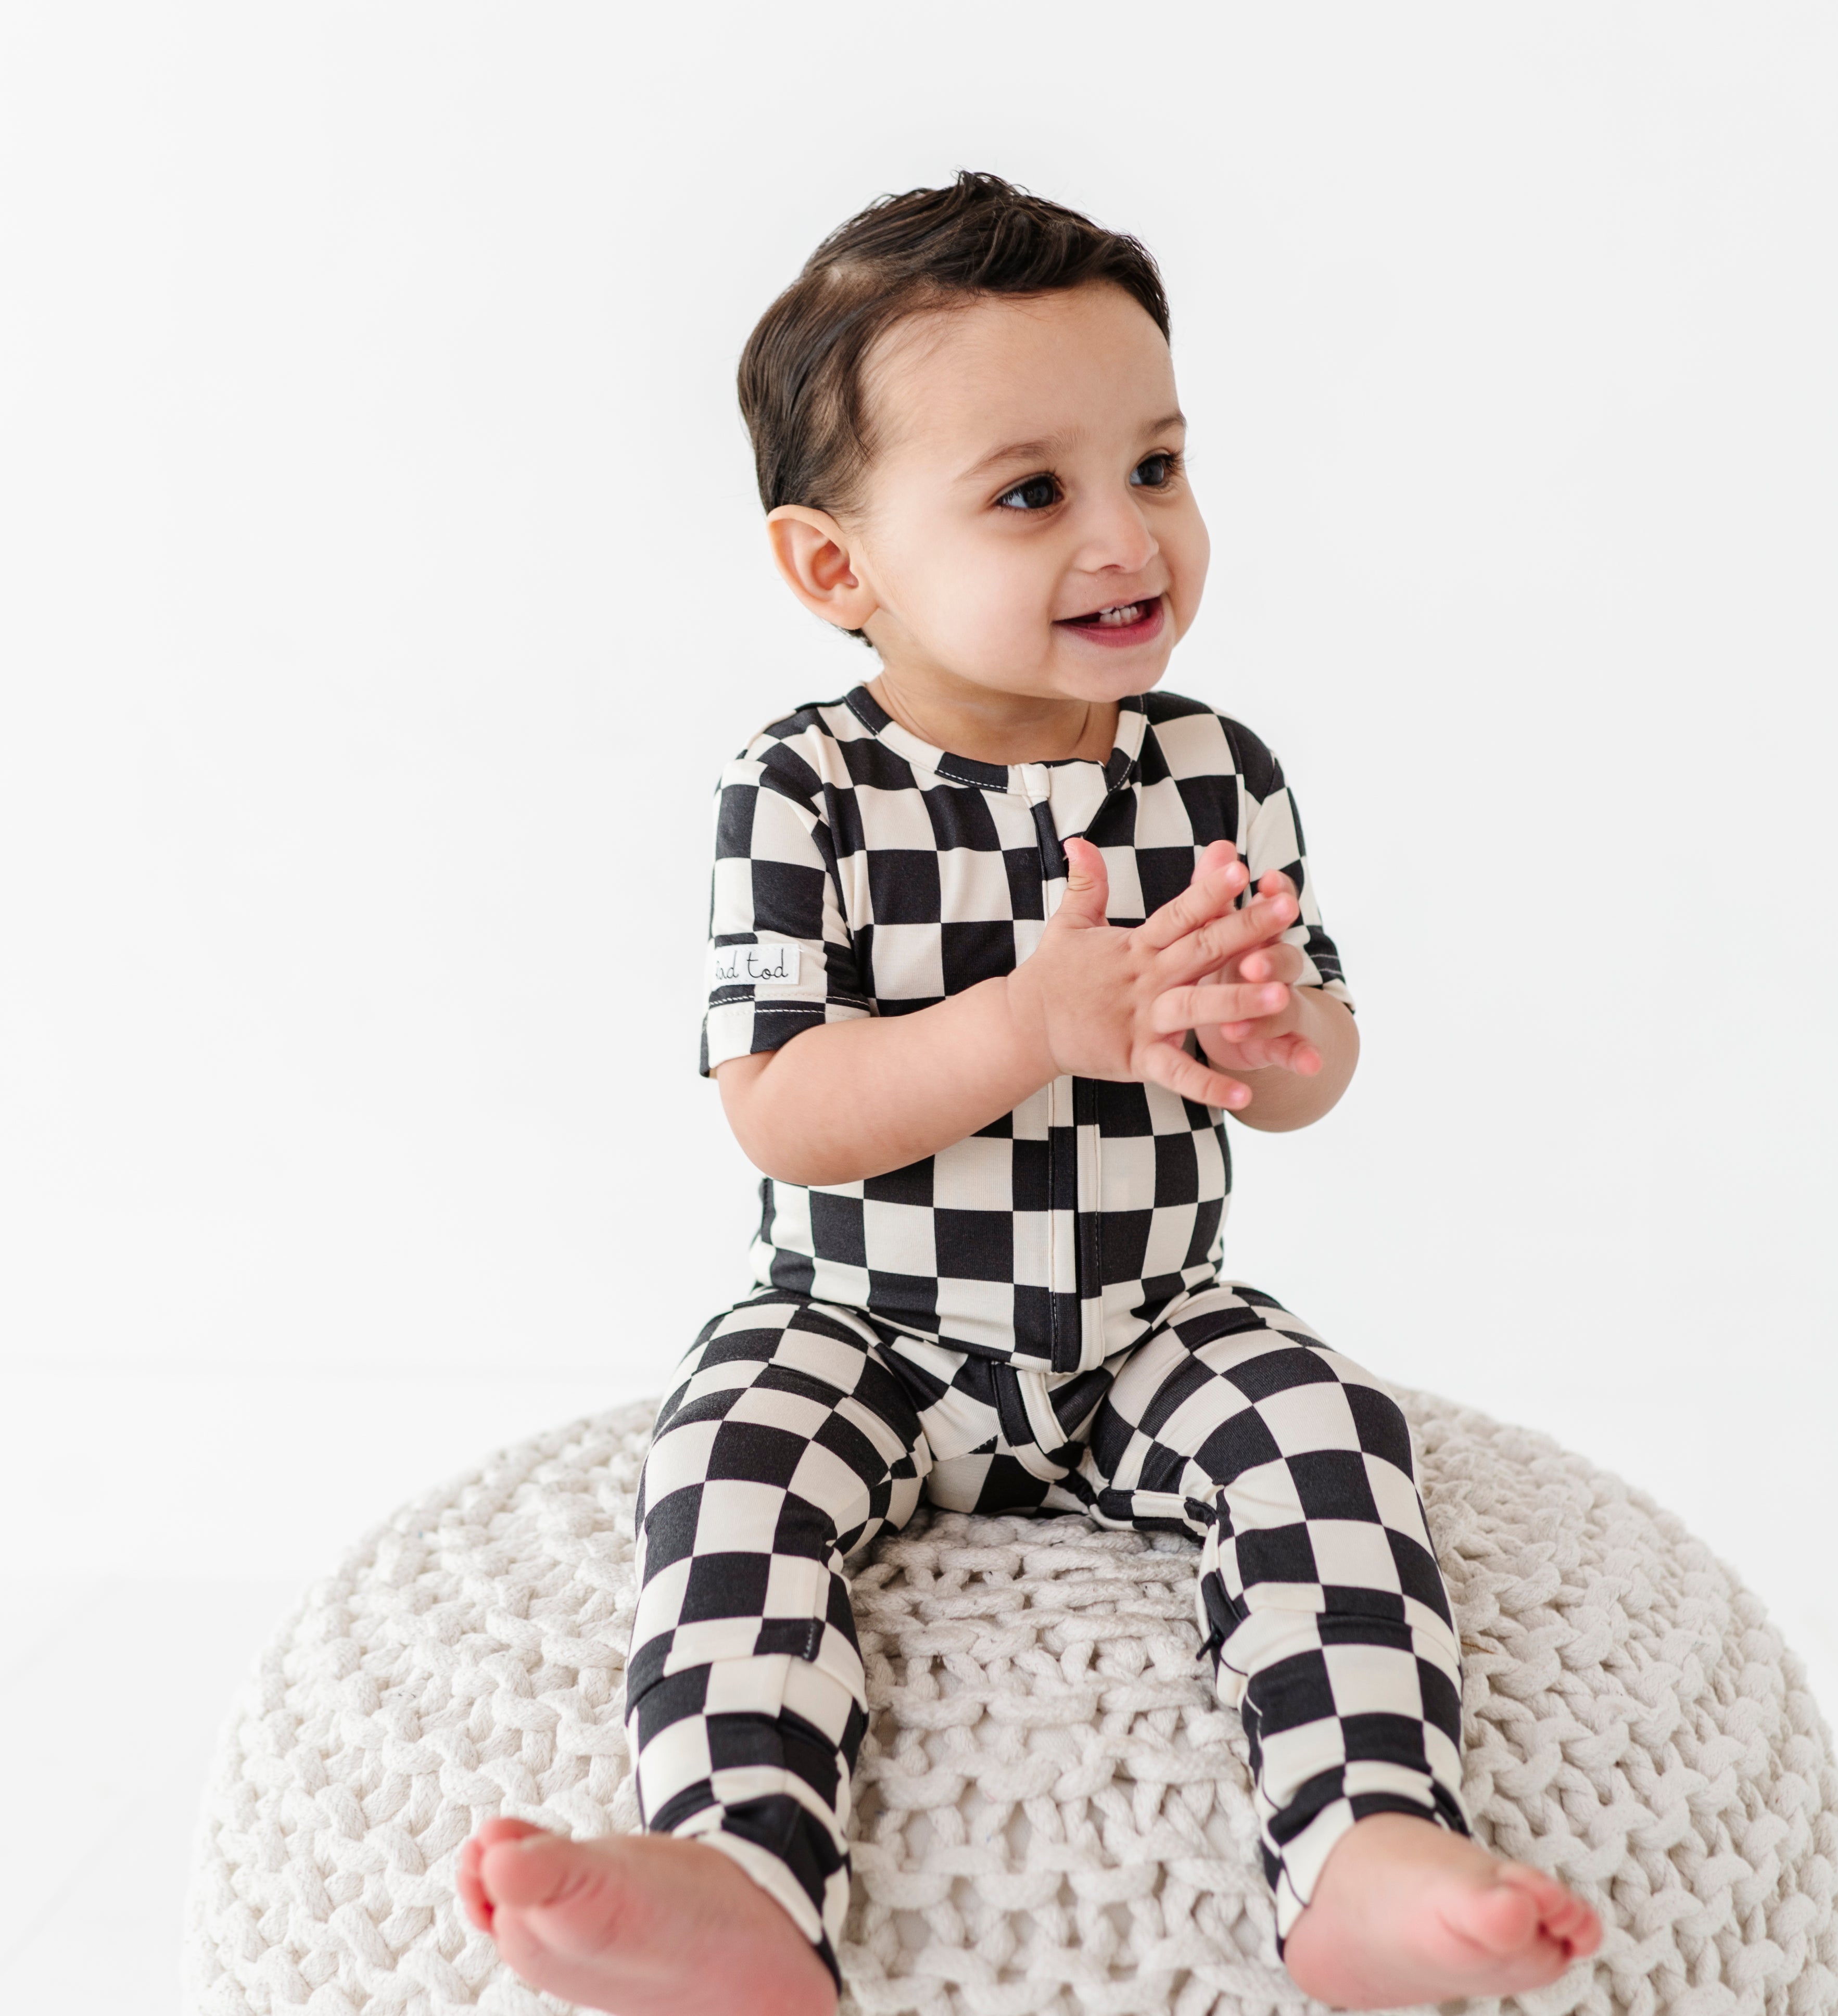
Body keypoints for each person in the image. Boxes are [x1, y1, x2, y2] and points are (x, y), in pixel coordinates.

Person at [458, 172, 1603, 2015]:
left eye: (1154, 465)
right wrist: (1028, 1022)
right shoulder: (805, 788)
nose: (1125, 536)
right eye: (1030, 492)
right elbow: (780, 1109)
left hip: (1146, 1317)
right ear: (840, 567)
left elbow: (1313, 1045)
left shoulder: (1213, 770)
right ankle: (740, 1864)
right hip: (863, 1322)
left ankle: (1367, 1841)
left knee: (1323, 1435)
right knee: (731, 1469)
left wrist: (1282, 1048)